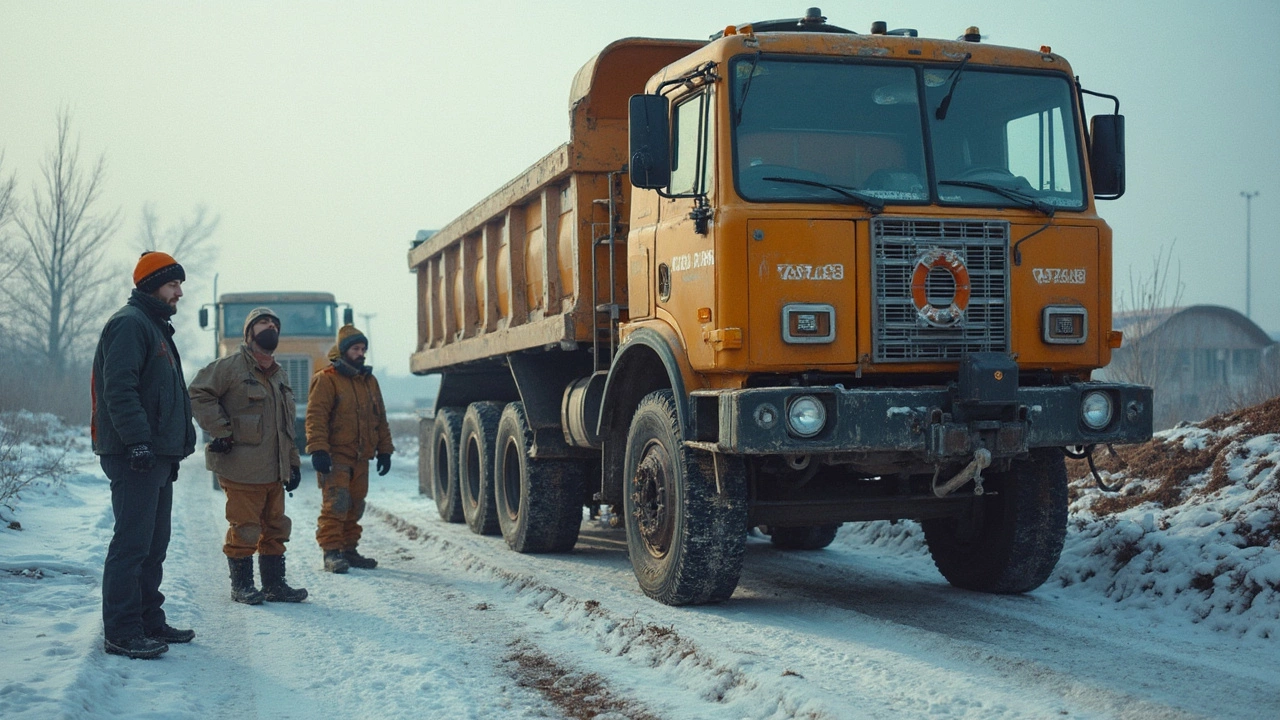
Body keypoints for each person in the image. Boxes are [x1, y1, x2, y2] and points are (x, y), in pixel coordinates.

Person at [91, 251, 198, 659]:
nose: (180, 293)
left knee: (155, 543)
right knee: (132, 544)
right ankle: (121, 631)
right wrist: (137, 440)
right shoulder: (129, 325)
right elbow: (119, 389)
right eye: (174, 285)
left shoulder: (154, 326)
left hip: (155, 454)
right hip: (134, 453)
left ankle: (148, 619)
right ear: (153, 284)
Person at [189, 307, 308, 605]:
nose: (270, 327)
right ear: (249, 333)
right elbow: (197, 393)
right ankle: (241, 586)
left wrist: (292, 464)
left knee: (276, 528)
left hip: (274, 470)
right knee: (245, 528)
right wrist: (222, 430)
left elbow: (284, 427)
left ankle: (274, 585)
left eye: (274, 324)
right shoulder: (230, 367)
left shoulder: (279, 375)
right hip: (242, 467)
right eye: (263, 323)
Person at [306, 324, 394, 573]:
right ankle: (331, 552)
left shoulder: (369, 381)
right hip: (336, 457)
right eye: (356, 348)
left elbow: (380, 418)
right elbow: (316, 417)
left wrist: (385, 450)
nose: (361, 352)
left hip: (361, 458)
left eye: (363, 348)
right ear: (344, 351)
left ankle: (349, 550)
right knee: (336, 504)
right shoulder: (326, 380)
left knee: (355, 504)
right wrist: (318, 450)